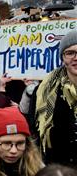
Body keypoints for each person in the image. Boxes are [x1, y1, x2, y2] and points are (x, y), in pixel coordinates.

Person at [35, 30, 77, 167]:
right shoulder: (47, 87)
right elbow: (33, 126)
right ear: (63, 57)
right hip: (58, 169)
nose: (75, 57)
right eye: (70, 53)